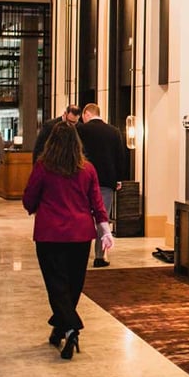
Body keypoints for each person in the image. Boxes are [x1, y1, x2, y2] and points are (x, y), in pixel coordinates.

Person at [22, 121, 113, 359]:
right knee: (73, 285)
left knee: (57, 285)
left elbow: (29, 198)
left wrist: (33, 207)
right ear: (76, 143)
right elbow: (97, 202)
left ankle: (71, 328)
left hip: (50, 234)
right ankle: (60, 328)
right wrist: (105, 230)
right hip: (81, 234)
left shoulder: (43, 167)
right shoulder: (88, 169)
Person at [79, 103, 126, 267]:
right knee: (102, 218)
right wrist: (118, 179)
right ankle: (100, 256)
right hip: (106, 181)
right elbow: (120, 156)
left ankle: (80, 255)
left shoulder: (81, 130)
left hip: (83, 181)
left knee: (83, 216)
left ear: (86, 114)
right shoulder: (113, 131)